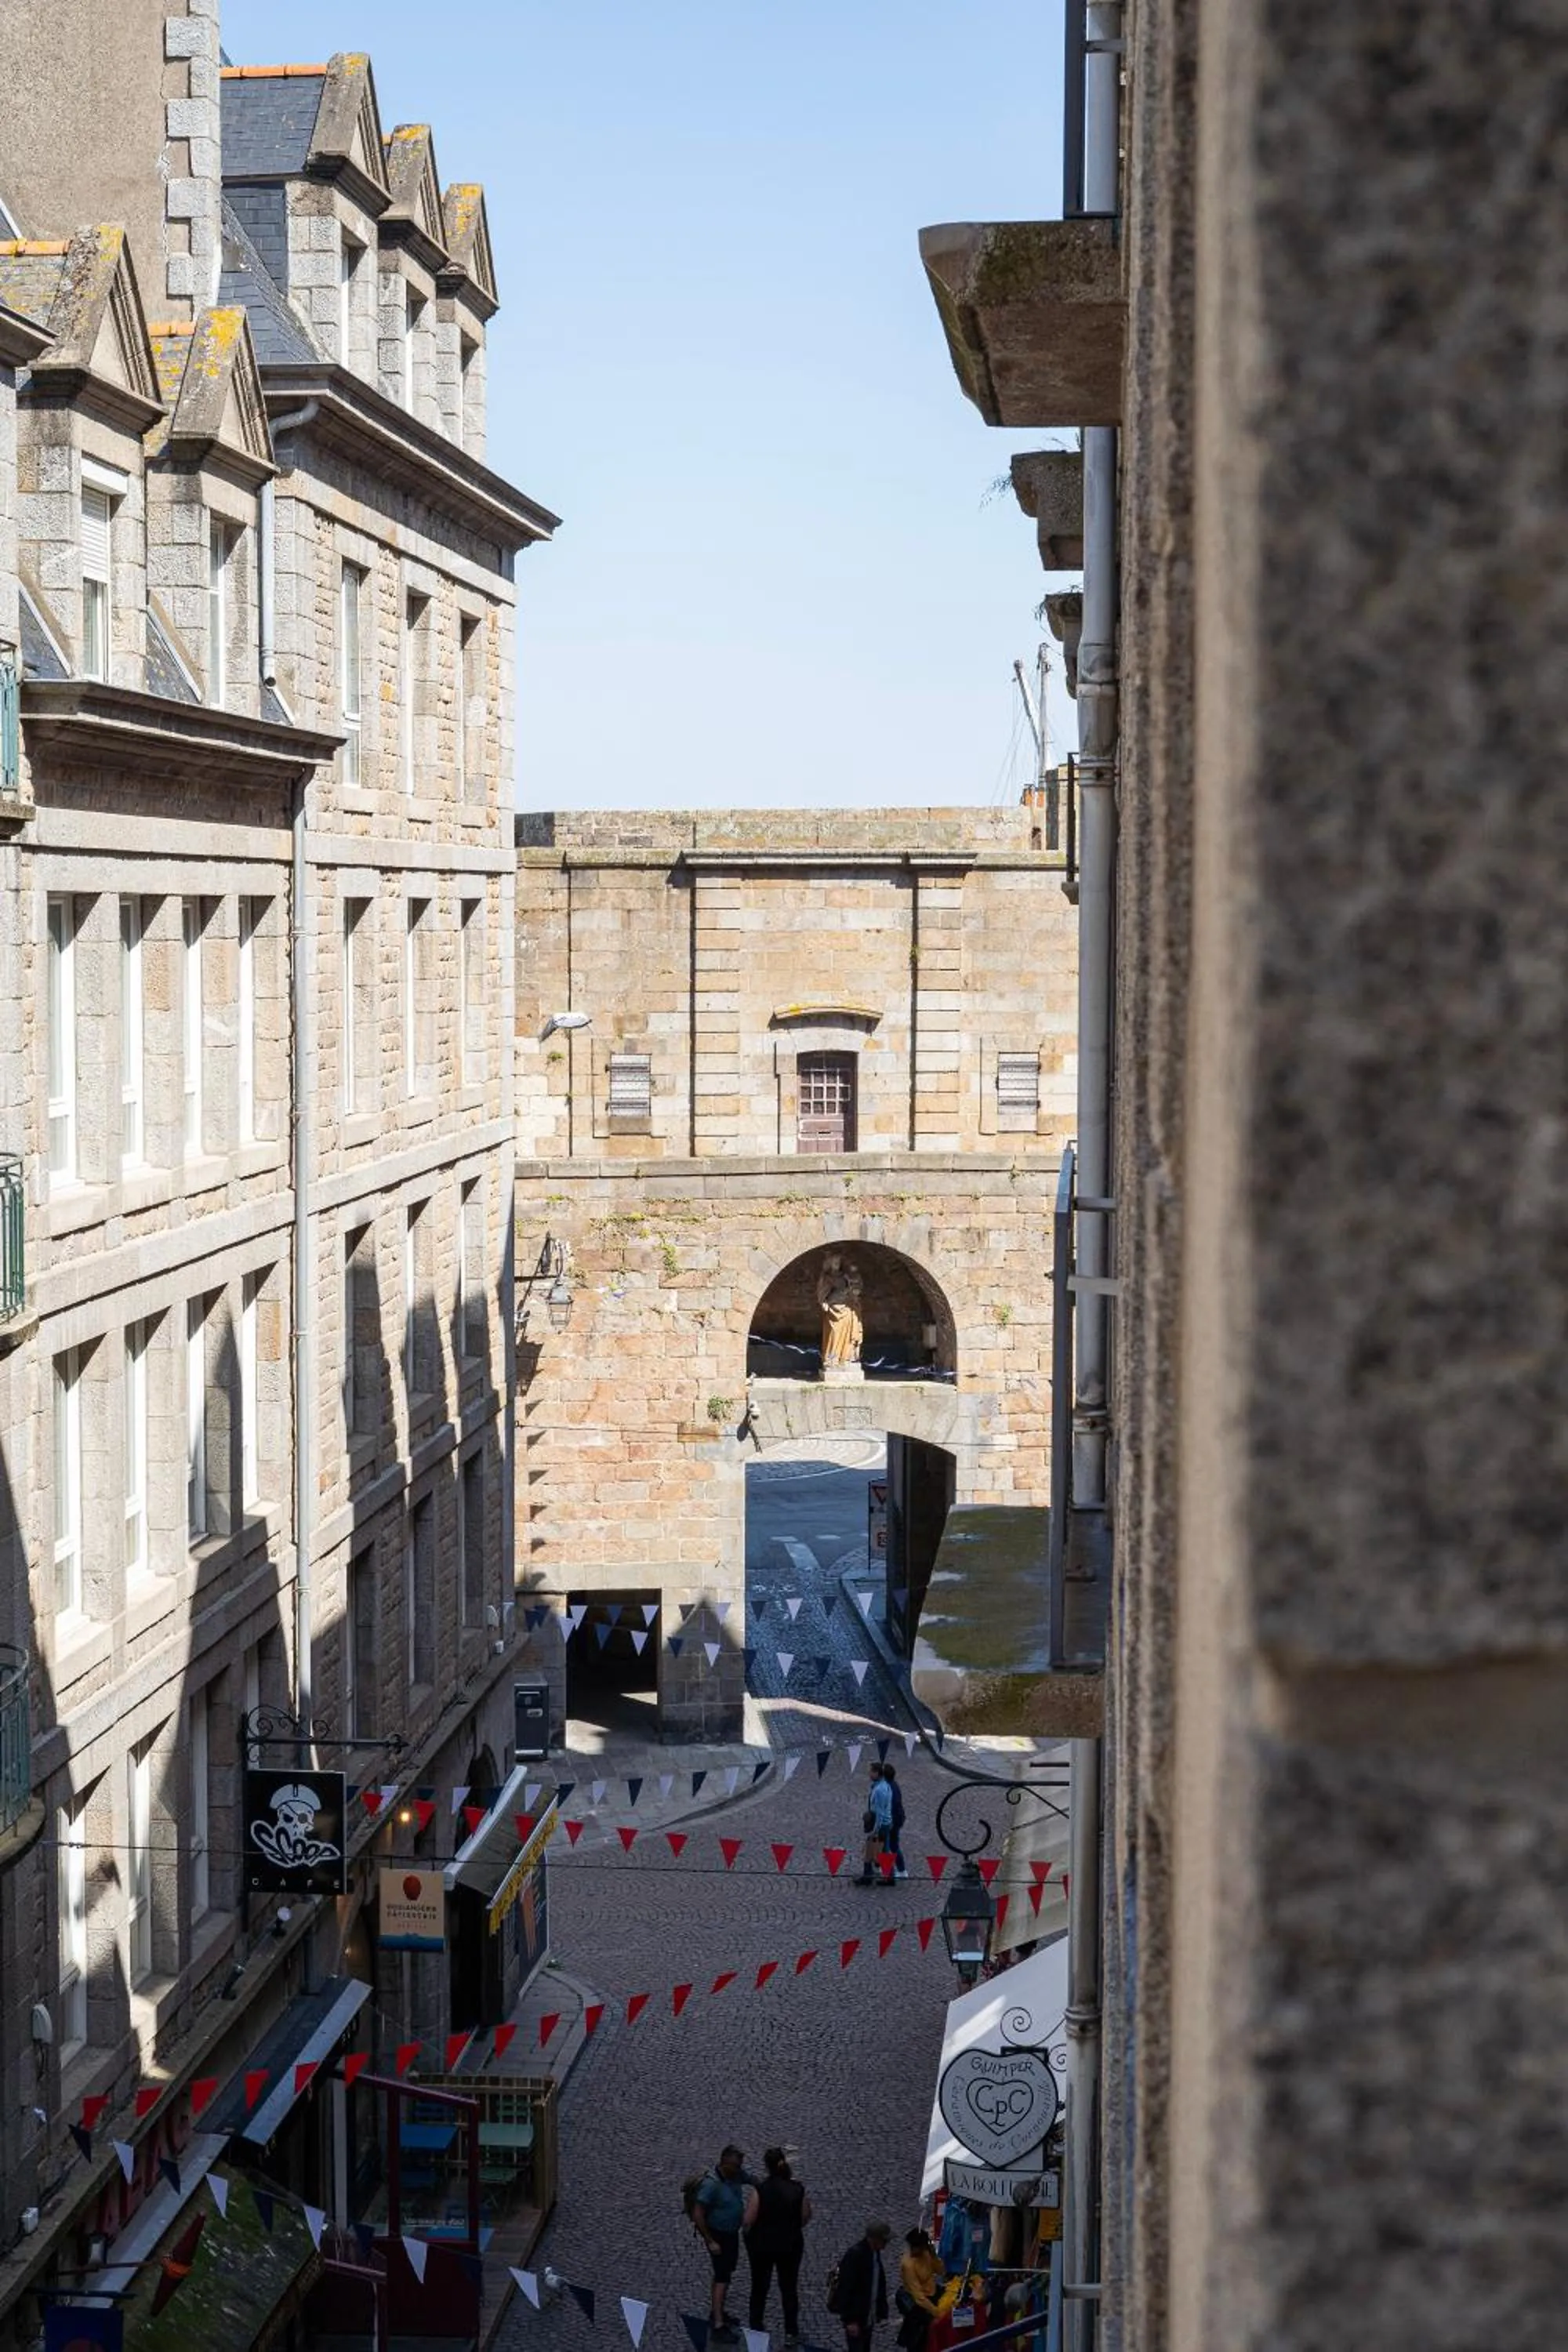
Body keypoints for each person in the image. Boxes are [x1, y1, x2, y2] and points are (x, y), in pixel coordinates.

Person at [744, 2145, 811, 2348]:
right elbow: (805, 2216)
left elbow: (749, 2220)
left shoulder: (761, 2190)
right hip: (790, 2246)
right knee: (789, 2288)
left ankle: (756, 2327)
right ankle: (791, 2331)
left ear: (767, 2167)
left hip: (762, 2246)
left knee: (759, 2287)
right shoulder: (798, 2188)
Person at [694, 2145, 750, 2341]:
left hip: (731, 2235)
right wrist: (710, 2241)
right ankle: (718, 2325)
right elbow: (698, 2214)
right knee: (722, 2278)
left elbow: (753, 2180)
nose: (739, 2170)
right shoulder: (711, 2185)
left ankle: (717, 2311)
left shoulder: (735, 2174)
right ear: (725, 2164)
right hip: (718, 2236)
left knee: (724, 2275)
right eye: (736, 2166)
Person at [835, 2220, 891, 2350]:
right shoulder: (855, 2256)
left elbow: (878, 2283)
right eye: (884, 2240)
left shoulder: (874, 2254)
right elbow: (845, 2289)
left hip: (867, 2317)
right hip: (857, 2319)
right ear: (874, 2239)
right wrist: (850, 2320)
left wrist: (880, 2311)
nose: (887, 2244)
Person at [895, 2228, 946, 2352]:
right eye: (911, 2247)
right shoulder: (908, 2265)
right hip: (918, 2304)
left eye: (916, 2247)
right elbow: (918, 2296)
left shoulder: (927, 2254)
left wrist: (934, 2256)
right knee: (919, 2340)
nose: (912, 2250)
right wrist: (937, 2312)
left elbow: (940, 2271)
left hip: (933, 2294)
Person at [858, 1768, 895, 1886]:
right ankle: (888, 1877)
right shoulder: (884, 1786)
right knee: (884, 1851)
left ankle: (868, 1876)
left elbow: (880, 1812)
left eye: (871, 1772)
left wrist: (875, 1830)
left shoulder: (880, 1790)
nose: (869, 1774)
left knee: (871, 1848)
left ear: (877, 1773)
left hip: (880, 1825)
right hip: (885, 1823)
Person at [882, 1764, 908, 1881]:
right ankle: (896, 1870)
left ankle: (900, 1870)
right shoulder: (893, 1785)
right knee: (891, 1845)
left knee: (891, 1846)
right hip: (896, 1819)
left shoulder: (889, 1788)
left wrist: (889, 1822)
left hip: (893, 1821)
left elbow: (891, 1806)